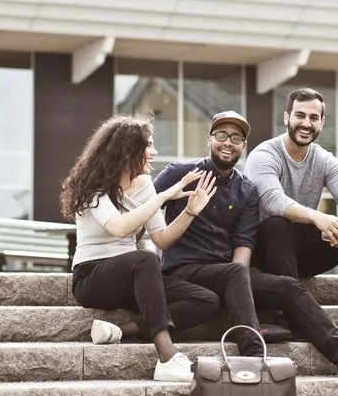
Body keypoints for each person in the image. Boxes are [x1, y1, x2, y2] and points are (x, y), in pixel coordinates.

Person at [152, 111, 338, 378]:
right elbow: (143, 207)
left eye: (236, 138)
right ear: (209, 139)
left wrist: (238, 284)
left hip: (228, 274)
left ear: (243, 146)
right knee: (240, 268)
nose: (228, 143)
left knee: (287, 285)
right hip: (184, 272)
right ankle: (255, 357)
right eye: (221, 135)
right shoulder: (180, 173)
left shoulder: (246, 189)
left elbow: (243, 243)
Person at [61, 115, 220, 383]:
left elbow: (162, 238)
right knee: (145, 260)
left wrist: (190, 213)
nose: (154, 151)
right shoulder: (93, 188)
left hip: (134, 277)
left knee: (207, 300)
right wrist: (164, 195)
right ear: (127, 151)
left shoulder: (145, 185)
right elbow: (119, 227)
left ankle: (121, 331)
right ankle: (167, 358)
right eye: (148, 145)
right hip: (92, 278)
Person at [247, 88, 338, 341]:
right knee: (277, 224)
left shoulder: (324, 159)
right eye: (299, 116)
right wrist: (318, 218)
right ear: (286, 118)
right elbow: (272, 199)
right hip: (263, 253)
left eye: (313, 118)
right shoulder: (264, 154)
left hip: (298, 253)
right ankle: (293, 315)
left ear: (322, 123)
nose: (306, 123)